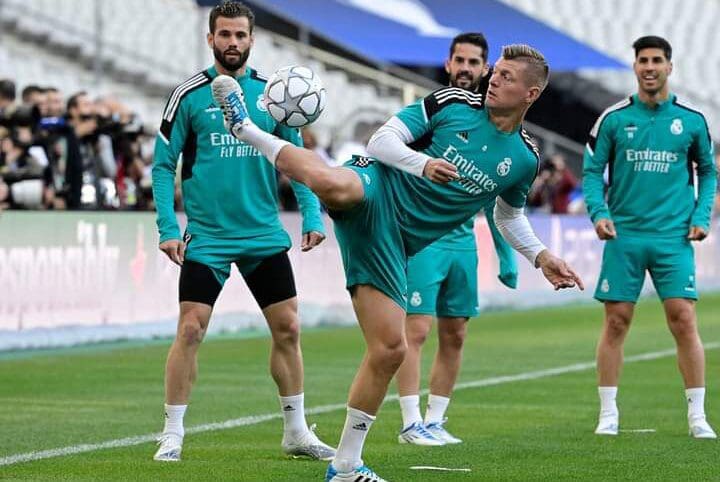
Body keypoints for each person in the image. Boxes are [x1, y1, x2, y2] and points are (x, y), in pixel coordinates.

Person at [213, 43, 584, 482]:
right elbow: (381, 140)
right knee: (338, 186)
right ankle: (245, 129)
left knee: (391, 349)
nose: (493, 79)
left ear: (531, 93)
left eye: (506, 76)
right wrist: (423, 164)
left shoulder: (524, 158)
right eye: (495, 72)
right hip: (376, 184)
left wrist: (540, 256)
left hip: (393, 243)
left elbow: (507, 215)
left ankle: (346, 465)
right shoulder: (451, 104)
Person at [151, 1, 335, 462]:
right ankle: (172, 432)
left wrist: (312, 214)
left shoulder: (274, 95)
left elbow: (297, 162)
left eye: (241, 35)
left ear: (252, 40)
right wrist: (168, 227)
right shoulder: (188, 95)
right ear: (209, 38)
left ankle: (295, 431)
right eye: (225, 35)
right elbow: (161, 166)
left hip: (262, 234)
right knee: (191, 329)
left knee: (289, 328)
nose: (233, 42)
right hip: (208, 236)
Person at [583, 36, 717, 438]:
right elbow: (591, 172)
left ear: (669, 67)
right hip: (624, 236)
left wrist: (701, 213)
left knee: (683, 319)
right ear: (635, 67)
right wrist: (599, 212)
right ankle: (608, 413)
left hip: (673, 237)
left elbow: (709, 172)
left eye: (657, 60)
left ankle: (697, 416)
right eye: (643, 60)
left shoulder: (692, 120)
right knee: (617, 322)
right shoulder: (613, 118)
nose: (650, 67)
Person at [394, 32, 518, 447]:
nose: (465, 68)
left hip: (463, 243)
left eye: (474, 62)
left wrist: (506, 255)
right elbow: (392, 154)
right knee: (415, 331)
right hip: (423, 240)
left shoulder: (495, 123)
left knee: (456, 333)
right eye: (459, 60)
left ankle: (436, 420)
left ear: (485, 70)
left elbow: (491, 197)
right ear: (448, 64)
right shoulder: (436, 112)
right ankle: (410, 422)